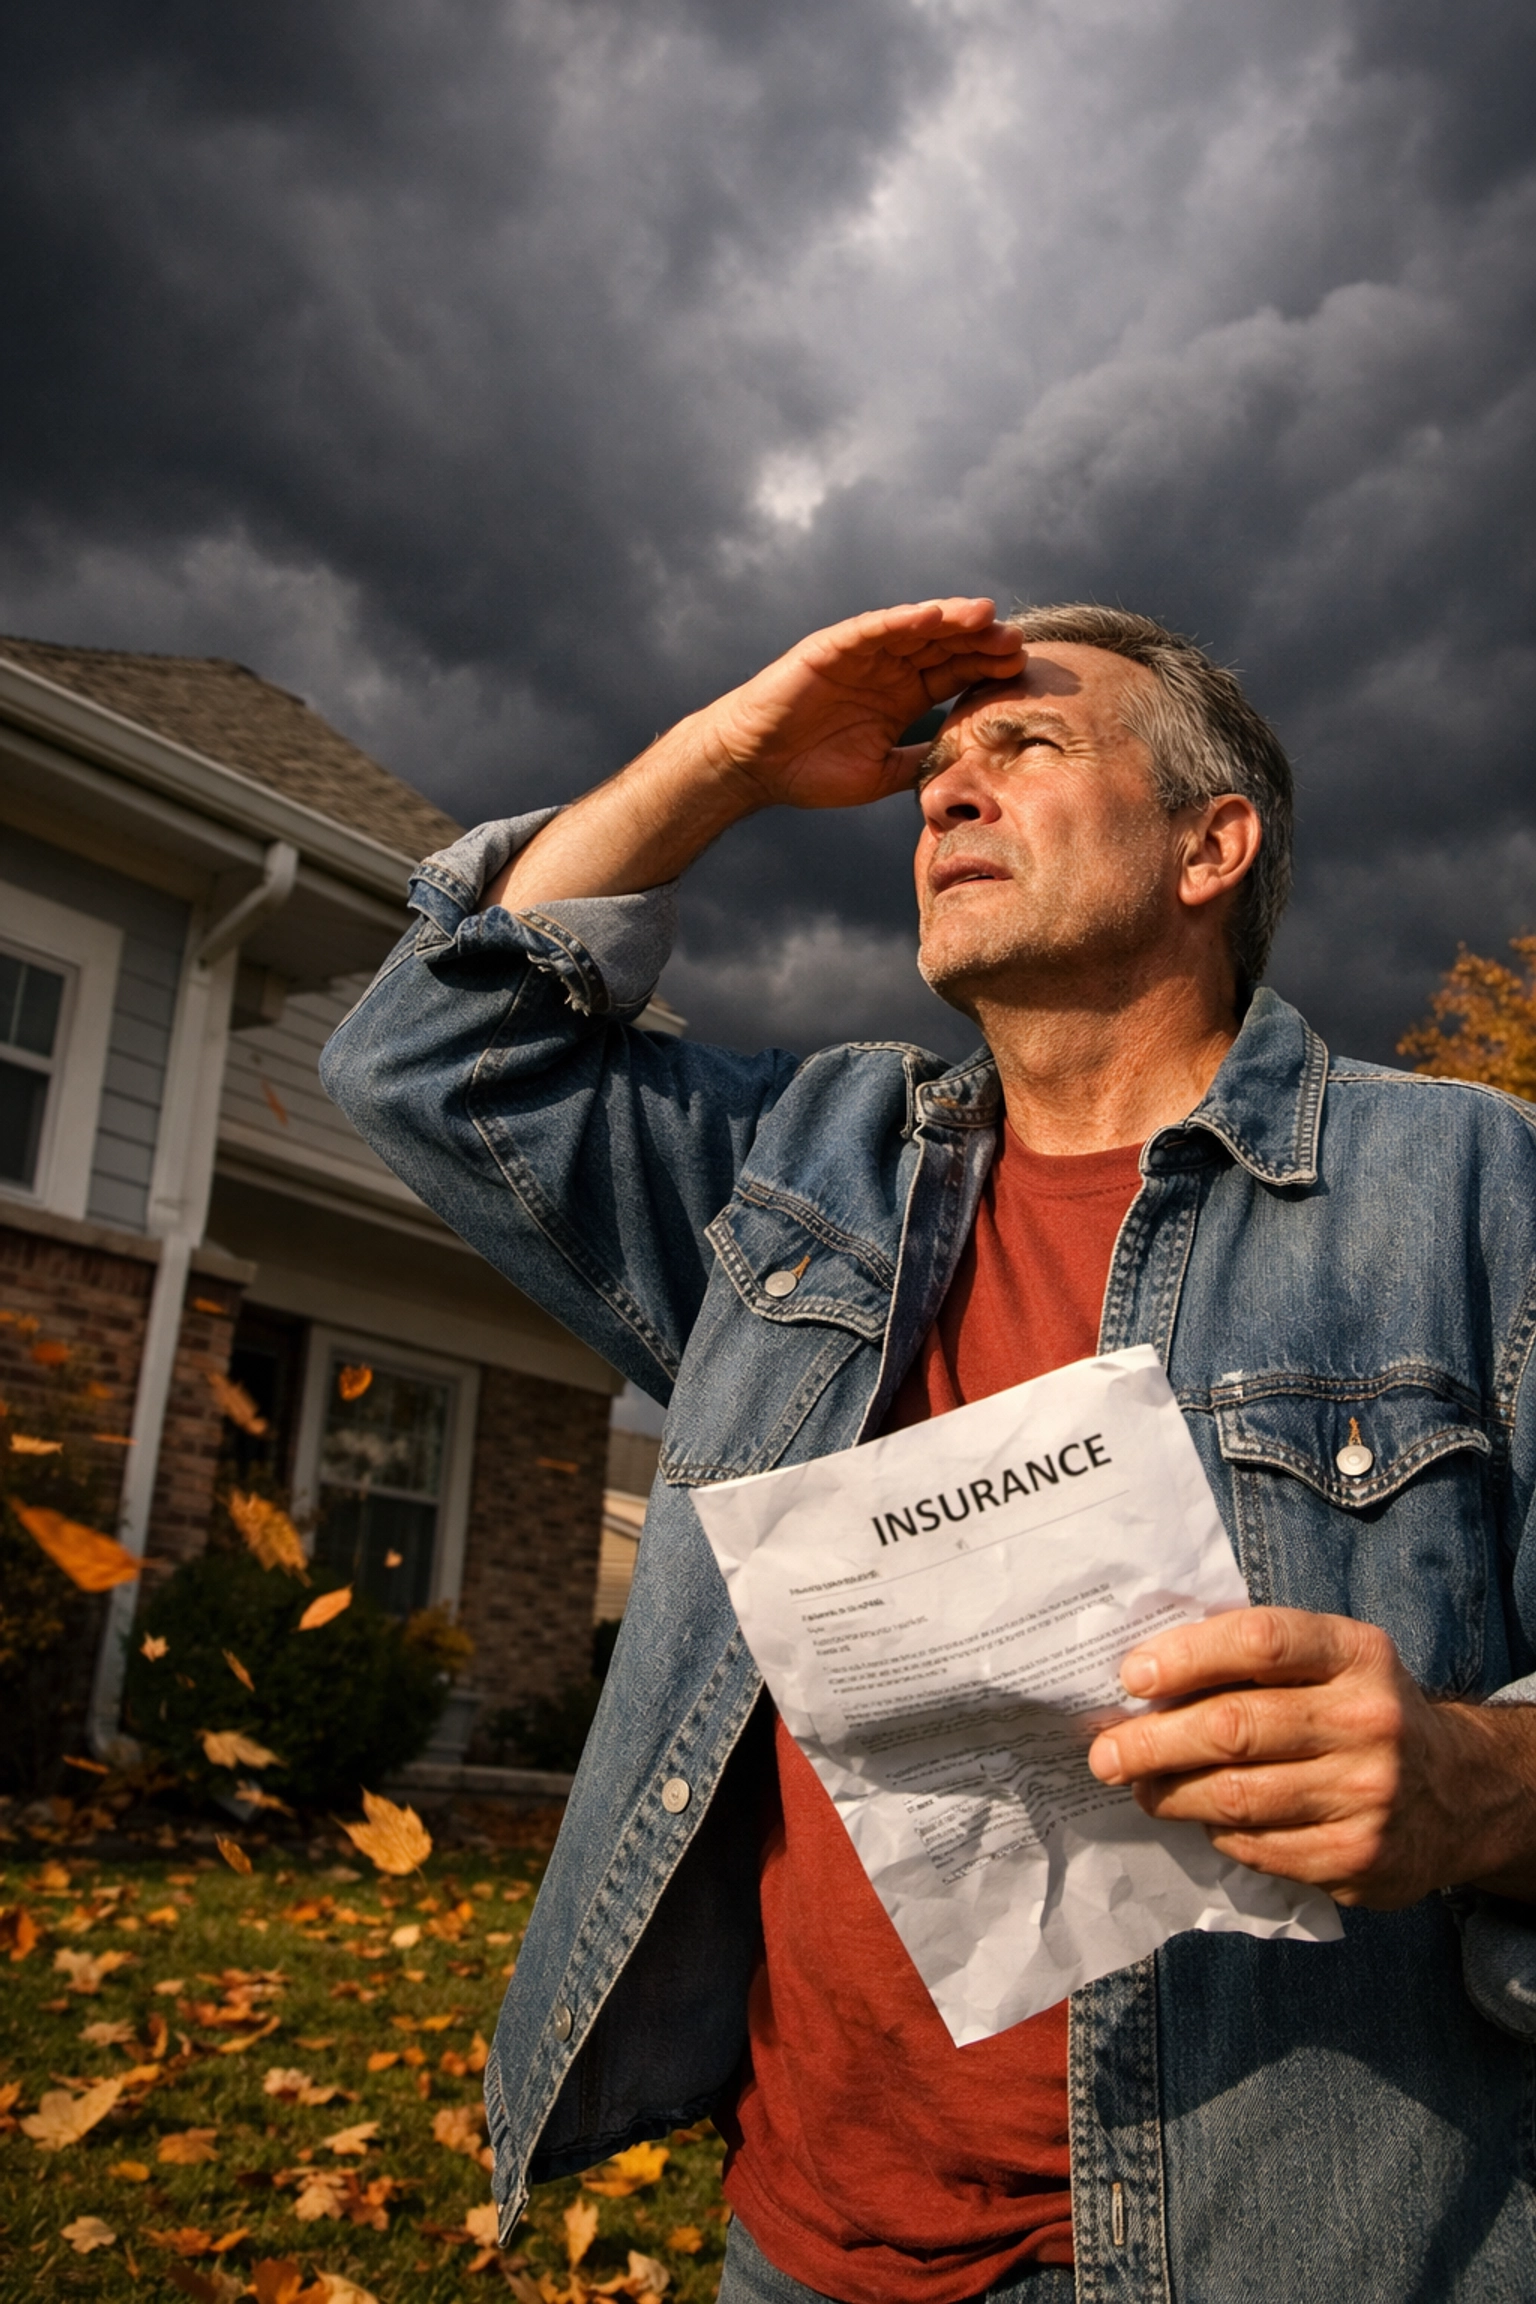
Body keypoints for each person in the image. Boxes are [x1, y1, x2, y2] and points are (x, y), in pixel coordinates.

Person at [321, 599, 1536, 2302]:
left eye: (1023, 746)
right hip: (805, 2244)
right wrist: (732, 755)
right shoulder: (808, 1165)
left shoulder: (1475, 1190)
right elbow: (427, 1055)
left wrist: (1471, 1783)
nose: (943, 797)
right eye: (931, 772)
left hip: (1292, 2247)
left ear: (1213, 843)